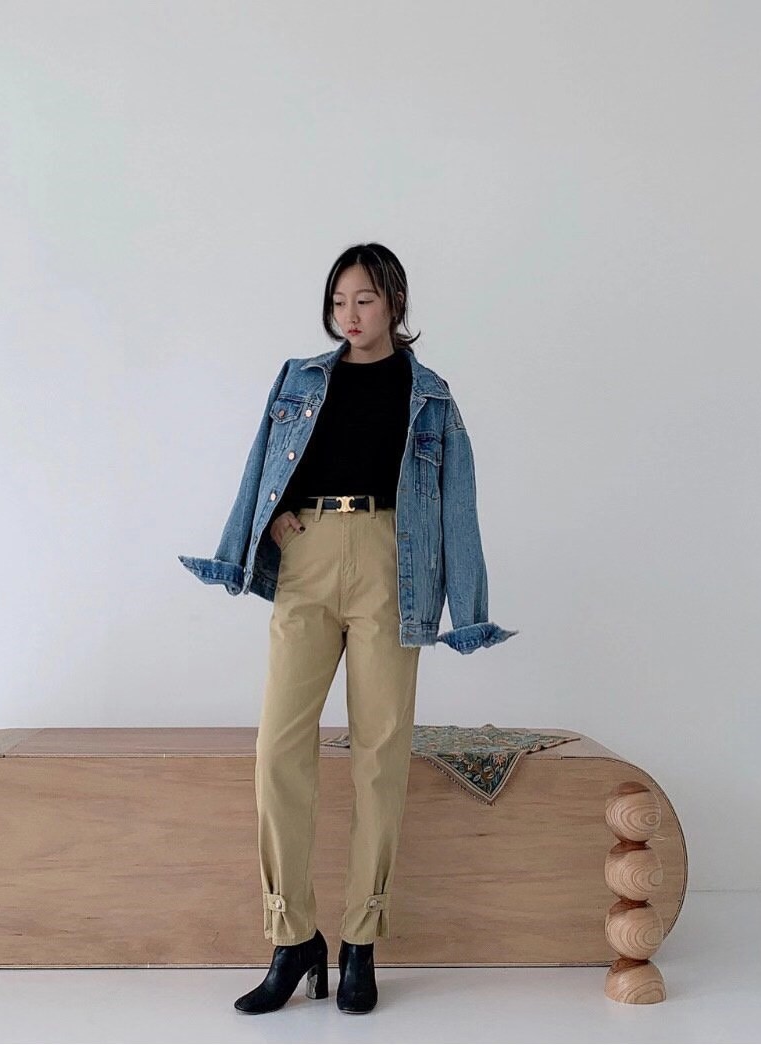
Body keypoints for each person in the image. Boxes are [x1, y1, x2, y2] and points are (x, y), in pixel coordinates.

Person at [178, 243, 516, 1014]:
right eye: (338, 301)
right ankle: (291, 936)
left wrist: (469, 610)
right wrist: (261, 530)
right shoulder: (299, 378)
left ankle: (361, 938)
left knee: (378, 755)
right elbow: (262, 465)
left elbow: (458, 506)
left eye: (363, 299)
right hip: (308, 557)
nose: (349, 314)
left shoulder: (429, 396)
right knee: (277, 748)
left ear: (394, 301)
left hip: (392, 564)